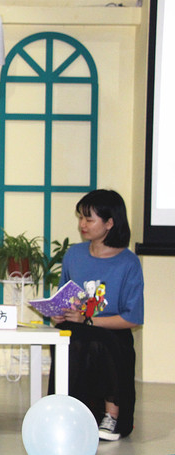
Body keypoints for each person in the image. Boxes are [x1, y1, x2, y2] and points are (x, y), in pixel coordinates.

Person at [49, 189, 144, 441]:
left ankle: (111, 414)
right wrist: (58, 313)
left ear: (109, 223)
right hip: (77, 326)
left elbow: (133, 318)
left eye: (89, 219)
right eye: (81, 218)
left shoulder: (128, 263)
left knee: (98, 342)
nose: (82, 224)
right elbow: (64, 296)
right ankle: (69, 413)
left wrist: (89, 320)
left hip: (113, 330)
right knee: (72, 338)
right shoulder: (74, 254)